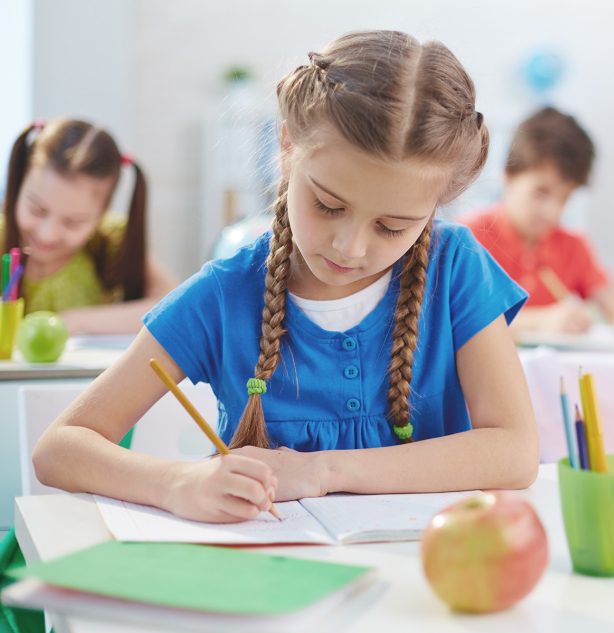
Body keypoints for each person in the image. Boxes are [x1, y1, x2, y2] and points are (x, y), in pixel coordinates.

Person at [33, 30, 539, 523]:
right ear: (287, 146)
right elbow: (59, 447)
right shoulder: (224, 295)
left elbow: (514, 452)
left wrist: (321, 470)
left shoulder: (456, 270)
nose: (350, 247)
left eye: (392, 227)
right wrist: (175, 483)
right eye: (327, 205)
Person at [460, 107, 614, 335]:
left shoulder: (572, 246)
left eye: (565, 197)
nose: (553, 212)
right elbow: (460, 320)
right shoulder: (467, 238)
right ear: (508, 175)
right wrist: (539, 322)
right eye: (541, 192)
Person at [2, 118, 177, 334]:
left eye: (73, 222)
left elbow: (176, 307)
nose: (48, 234)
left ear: (103, 213)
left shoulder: (111, 238)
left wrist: (72, 322)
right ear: (18, 185)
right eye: (37, 210)